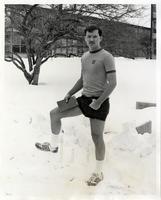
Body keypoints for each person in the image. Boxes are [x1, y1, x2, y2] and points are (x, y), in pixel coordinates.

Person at [35, 25, 117, 186]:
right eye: (88, 36)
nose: (91, 39)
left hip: (99, 102)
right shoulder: (85, 56)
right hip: (84, 100)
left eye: (94, 36)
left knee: (97, 136)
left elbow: (113, 83)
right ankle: (53, 146)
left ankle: (98, 173)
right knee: (54, 114)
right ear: (85, 38)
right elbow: (82, 80)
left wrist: (98, 102)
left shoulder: (107, 57)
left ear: (100, 38)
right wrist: (70, 93)